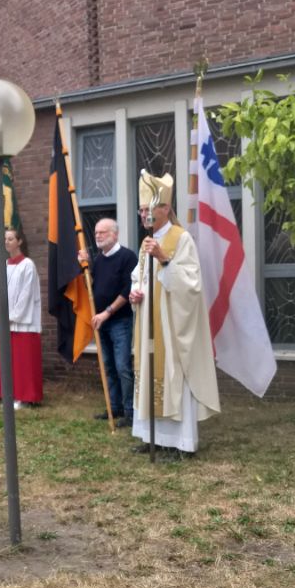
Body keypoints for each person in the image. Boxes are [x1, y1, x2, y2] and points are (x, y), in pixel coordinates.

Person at [129, 172, 220, 456]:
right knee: (147, 372)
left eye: (148, 209)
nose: (143, 214)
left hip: (172, 324)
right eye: (141, 209)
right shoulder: (146, 243)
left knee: (173, 375)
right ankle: (150, 437)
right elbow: (139, 277)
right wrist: (135, 293)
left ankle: (180, 442)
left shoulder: (181, 239)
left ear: (165, 208)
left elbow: (192, 283)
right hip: (148, 321)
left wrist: (165, 259)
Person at [78, 219, 138, 428]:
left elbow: (126, 290)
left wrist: (107, 313)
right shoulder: (98, 260)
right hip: (101, 322)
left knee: (122, 367)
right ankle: (114, 408)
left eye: (103, 232)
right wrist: (83, 266)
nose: (98, 236)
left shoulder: (127, 257)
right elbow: (91, 287)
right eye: (96, 232)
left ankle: (130, 411)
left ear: (115, 235)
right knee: (108, 367)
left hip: (119, 321)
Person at [0, 228, 43, 409]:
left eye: (10, 239)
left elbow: (26, 294)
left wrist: (11, 317)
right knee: (8, 361)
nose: (7, 242)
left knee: (23, 362)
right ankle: (9, 395)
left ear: (19, 241)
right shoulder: (3, 265)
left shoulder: (27, 265)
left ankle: (25, 396)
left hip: (22, 323)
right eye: (5, 239)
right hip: (4, 322)